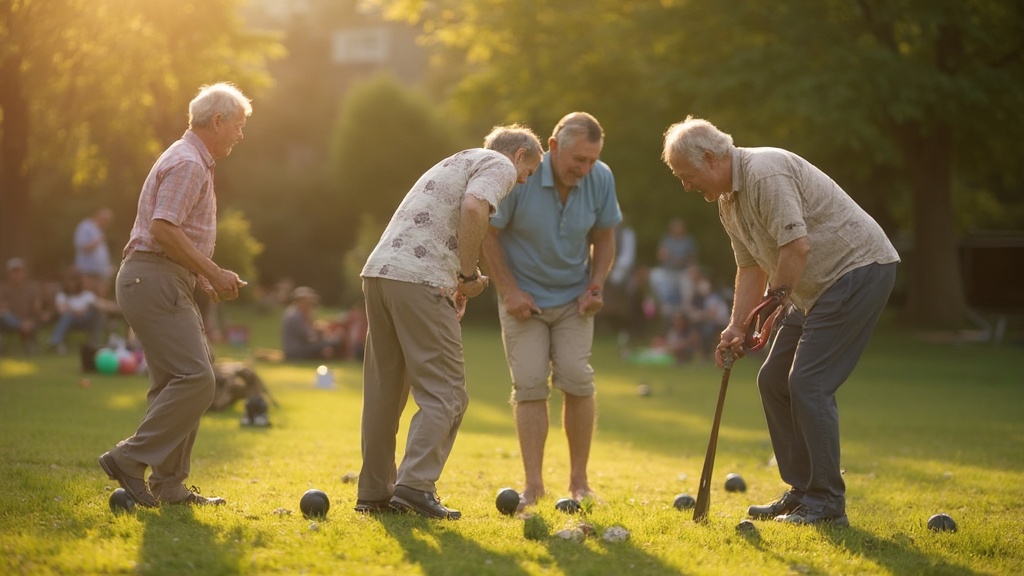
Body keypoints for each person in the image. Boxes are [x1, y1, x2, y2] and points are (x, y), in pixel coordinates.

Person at [661, 116, 899, 526]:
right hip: (813, 288)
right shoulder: (727, 201)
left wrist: (772, 307)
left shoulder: (764, 172)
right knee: (772, 379)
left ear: (712, 157)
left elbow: (797, 246)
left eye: (688, 176)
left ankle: (826, 503)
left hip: (855, 271)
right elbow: (750, 267)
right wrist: (738, 325)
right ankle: (804, 491)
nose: (686, 186)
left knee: (809, 382)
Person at [357, 124, 543, 520]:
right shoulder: (500, 164)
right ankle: (414, 487)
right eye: (529, 173)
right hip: (421, 281)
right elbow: (475, 208)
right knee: (448, 394)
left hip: (380, 273)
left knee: (384, 392)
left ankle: (373, 492)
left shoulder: (457, 160)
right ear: (521, 154)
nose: (523, 182)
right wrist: (467, 276)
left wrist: (454, 280)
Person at [97, 82, 252, 508]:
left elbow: (171, 235)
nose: (241, 135)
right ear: (217, 121)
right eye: (238, 125)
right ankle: (129, 459)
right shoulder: (188, 163)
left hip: (159, 280)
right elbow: (163, 230)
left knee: (175, 382)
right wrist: (213, 270)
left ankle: (170, 486)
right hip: (154, 280)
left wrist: (207, 279)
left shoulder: (190, 160)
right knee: (198, 379)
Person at [481, 112, 622, 507]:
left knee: (577, 378)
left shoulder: (601, 178)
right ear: (555, 147)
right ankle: (533, 485)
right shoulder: (522, 176)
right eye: (579, 160)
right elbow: (487, 235)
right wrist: (509, 291)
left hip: (573, 299)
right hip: (523, 299)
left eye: (592, 160)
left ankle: (579, 482)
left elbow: (605, 236)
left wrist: (596, 285)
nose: (586, 168)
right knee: (529, 384)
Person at [46, 267, 108, 353]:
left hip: (86, 320)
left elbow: (101, 304)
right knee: (68, 315)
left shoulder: (87, 295)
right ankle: (55, 342)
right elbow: (62, 310)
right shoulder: (62, 296)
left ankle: (95, 341)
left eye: (74, 281)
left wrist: (120, 307)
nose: (72, 284)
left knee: (96, 312)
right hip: (71, 321)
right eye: (70, 281)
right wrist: (78, 311)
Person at [648, 217, 699, 317]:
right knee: (654, 276)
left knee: (688, 282)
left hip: (683, 272)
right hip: (668, 271)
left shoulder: (688, 241)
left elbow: (693, 259)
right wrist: (666, 256)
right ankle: (661, 307)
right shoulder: (666, 240)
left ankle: (686, 309)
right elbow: (661, 256)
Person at [0, 257, 47, 355]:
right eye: (14, 272)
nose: (17, 274)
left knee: (39, 317)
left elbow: (36, 307)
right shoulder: (3, 288)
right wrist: (20, 323)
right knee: (3, 314)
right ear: (9, 273)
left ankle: (30, 343)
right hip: (10, 320)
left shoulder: (33, 287)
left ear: (24, 272)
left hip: (30, 319)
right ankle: (23, 332)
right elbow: (3, 308)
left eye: (19, 271)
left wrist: (31, 319)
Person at [280, 286, 338, 360]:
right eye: (308, 301)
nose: (310, 304)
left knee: (326, 343)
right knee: (333, 342)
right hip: (296, 352)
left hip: (298, 349)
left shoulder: (296, 312)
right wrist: (318, 331)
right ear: (301, 301)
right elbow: (309, 338)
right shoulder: (295, 316)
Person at [74, 207, 115, 298]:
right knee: (87, 297)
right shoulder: (85, 226)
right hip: (87, 271)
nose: (106, 223)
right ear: (98, 216)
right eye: (105, 219)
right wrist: (97, 241)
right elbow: (83, 246)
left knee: (99, 298)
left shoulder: (99, 230)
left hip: (100, 272)